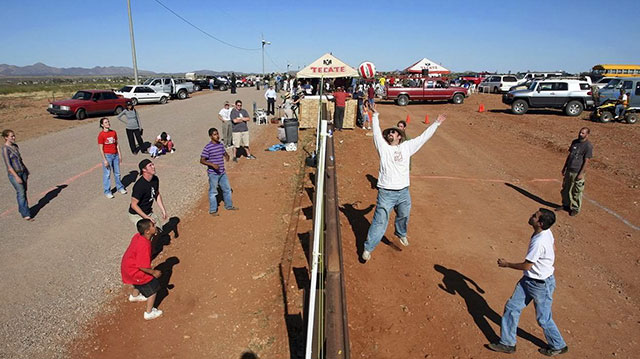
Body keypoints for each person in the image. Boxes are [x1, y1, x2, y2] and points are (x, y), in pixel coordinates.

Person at [361, 107, 446, 262]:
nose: (390, 134)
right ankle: (368, 248)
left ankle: (400, 233)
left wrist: (436, 124)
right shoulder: (384, 148)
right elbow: (376, 132)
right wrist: (376, 116)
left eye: (394, 133)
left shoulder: (407, 147)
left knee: (404, 215)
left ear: (399, 137)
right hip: (386, 192)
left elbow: (423, 138)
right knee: (380, 222)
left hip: (403, 192)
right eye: (389, 133)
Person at [487, 209, 569, 356]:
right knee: (512, 307)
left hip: (540, 285)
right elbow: (554, 247)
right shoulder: (546, 232)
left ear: (540, 223)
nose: (531, 216)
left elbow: (526, 265)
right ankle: (507, 343)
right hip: (530, 280)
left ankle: (558, 345)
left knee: (543, 319)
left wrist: (507, 264)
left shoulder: (539, 242)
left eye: (535, 216)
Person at [120, 218, 164, 320]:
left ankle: (135, 296)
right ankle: (149, 312)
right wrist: (153, 272)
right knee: (153, 287)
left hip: (127, 267)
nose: (155, 226)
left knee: (138, 282)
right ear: (147, 231)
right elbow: (142, 266)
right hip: (135, 270)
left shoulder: (138, 236)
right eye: (152, 226)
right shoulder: (144, 245)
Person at [200, 128, 238, 216]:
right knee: (213, 192)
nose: (217, 136)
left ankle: (229, 205)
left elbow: (224, 152)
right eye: (214, 134)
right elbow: (202, 160)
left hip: (222, 172)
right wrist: (212, 165)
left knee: (227, 189)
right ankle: (213, 210)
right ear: (210, 136)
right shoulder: (208, 147)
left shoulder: (220, 145)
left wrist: (227, 155)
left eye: (217, 134)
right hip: (213, 174)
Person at [558, 127, 593, 216]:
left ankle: (575, 208)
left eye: (583, 133)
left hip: (577, 171)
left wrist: (581, 173)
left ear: (587, 135)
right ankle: (565, 205)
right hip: (569, 169)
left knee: (576, 191)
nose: (580, 134)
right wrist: (564, 167)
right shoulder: (575, 142)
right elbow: (569, 156)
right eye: (580, 132)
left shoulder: (588, 146)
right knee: (566, 189)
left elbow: (586, 161)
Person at [129, 159, 168, 229]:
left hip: (148, 211)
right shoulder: (139, 186)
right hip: (136, 214)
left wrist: (163, 210)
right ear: (144, 169)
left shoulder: (155, 179)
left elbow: (157, 194)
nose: (153, 167)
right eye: (150, 165)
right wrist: (147, 218)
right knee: (148, 231)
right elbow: (134, 205)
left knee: (159, 229)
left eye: (153, 164)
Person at [2, 129, 32, 220]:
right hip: (15, 174)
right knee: (21, 193)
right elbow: (8, 166)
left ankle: (22, 209)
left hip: (22, 171)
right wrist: (16, 177)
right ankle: (26, 214)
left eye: (14, 136)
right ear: (6, 137)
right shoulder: (5, 149)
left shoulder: (15, 146)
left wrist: (26, 170)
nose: (14, 138)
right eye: (12, 136)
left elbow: (20, 160)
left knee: (24, 191)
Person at [97, 118, 126, 199]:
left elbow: (116, 144)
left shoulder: (113, 132)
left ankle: (120, 188)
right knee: (107, 174)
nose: (108, 123)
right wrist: (104, 159)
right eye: (106, 122)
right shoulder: (101, 135)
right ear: (102, 125)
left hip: (115, 155)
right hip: (107, 156)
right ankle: (107, 191)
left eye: (108, 122)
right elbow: (101, 148)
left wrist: (120, 154)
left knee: (117, 173)